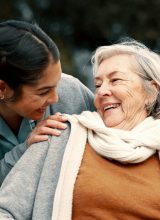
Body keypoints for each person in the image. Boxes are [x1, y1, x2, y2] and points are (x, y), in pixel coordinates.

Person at [0, 39, 160, 219]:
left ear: (152, 91)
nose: (102, 91)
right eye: (97, 84)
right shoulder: (59, 135)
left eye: (115, 80)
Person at [0, 20, 95, 184]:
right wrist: (26, 150)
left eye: (57, 83)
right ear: (2, 88)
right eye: (43, 91)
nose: (55, 99)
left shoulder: (72, 92)